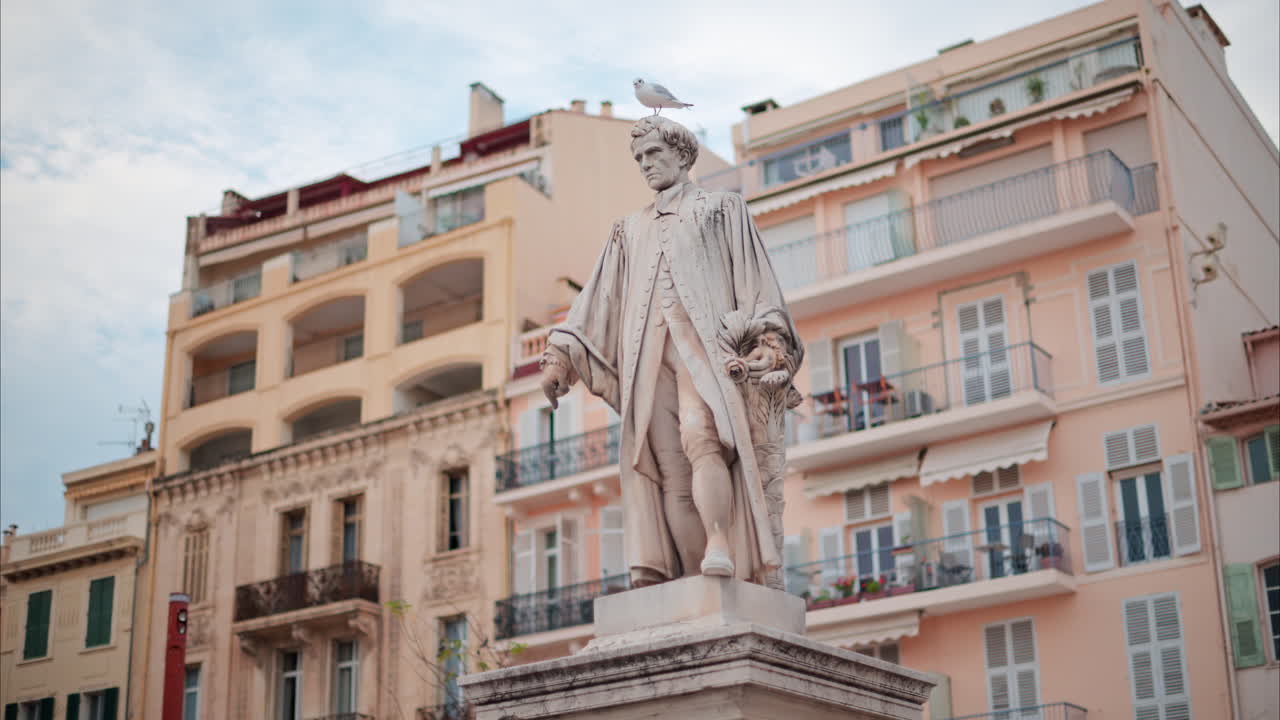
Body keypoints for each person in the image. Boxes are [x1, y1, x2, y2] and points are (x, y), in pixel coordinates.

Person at [539, 116, 802, 587]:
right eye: (639, 158)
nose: (645, 164)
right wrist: (560, 357)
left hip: (703, 350)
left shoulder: (721, 209)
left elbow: (756, 281)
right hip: (646, 358)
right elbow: (597, 298)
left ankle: (720, 544)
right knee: (668, 468)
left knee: (703, 439)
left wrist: (770, 340)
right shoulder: (627, 230)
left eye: (653, 153)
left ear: (682, 155)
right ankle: (692, 575)